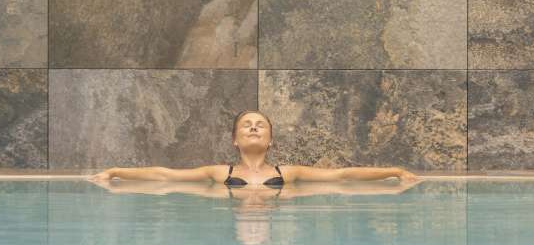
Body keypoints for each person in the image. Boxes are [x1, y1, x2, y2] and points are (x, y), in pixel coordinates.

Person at [88, 109, 419, 185]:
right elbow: (165, 176)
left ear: (270, 139)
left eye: (260, 124)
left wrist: (395, 172)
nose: (254, 127)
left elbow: (341, 176)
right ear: (235, 139)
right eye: (246, 124)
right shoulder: (220, 172)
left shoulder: (288, 173)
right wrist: (116, 171)